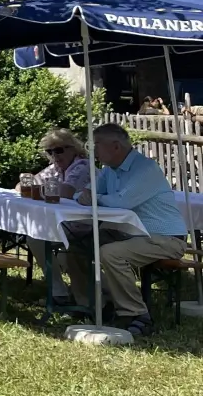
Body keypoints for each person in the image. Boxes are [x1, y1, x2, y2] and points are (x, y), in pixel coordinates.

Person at [64, 123, 187, 336]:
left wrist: (93, 197)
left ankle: (138, 315)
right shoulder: (109, 170)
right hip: (129, 232)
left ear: (116, 147)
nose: (92, 150)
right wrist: (86, 195)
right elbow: (85, 194)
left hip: (164, 237)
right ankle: (94, 305)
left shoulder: (145, 168)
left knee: (111, 254)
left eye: (96, 145)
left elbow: (123, 202)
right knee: (76, 245)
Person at [23, 128, 94, 306]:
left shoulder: (82, 165)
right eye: (50, 151)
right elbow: (22, 185)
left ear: (73, 148)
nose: (55, 155)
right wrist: (30, 184)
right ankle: (60, 292)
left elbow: (66, 192)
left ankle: (59, 293)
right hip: (66, 221)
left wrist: (34, 188)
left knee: (37, 237)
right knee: (36, 235)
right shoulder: (56, 167)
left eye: (59, 150)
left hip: (86, 223)